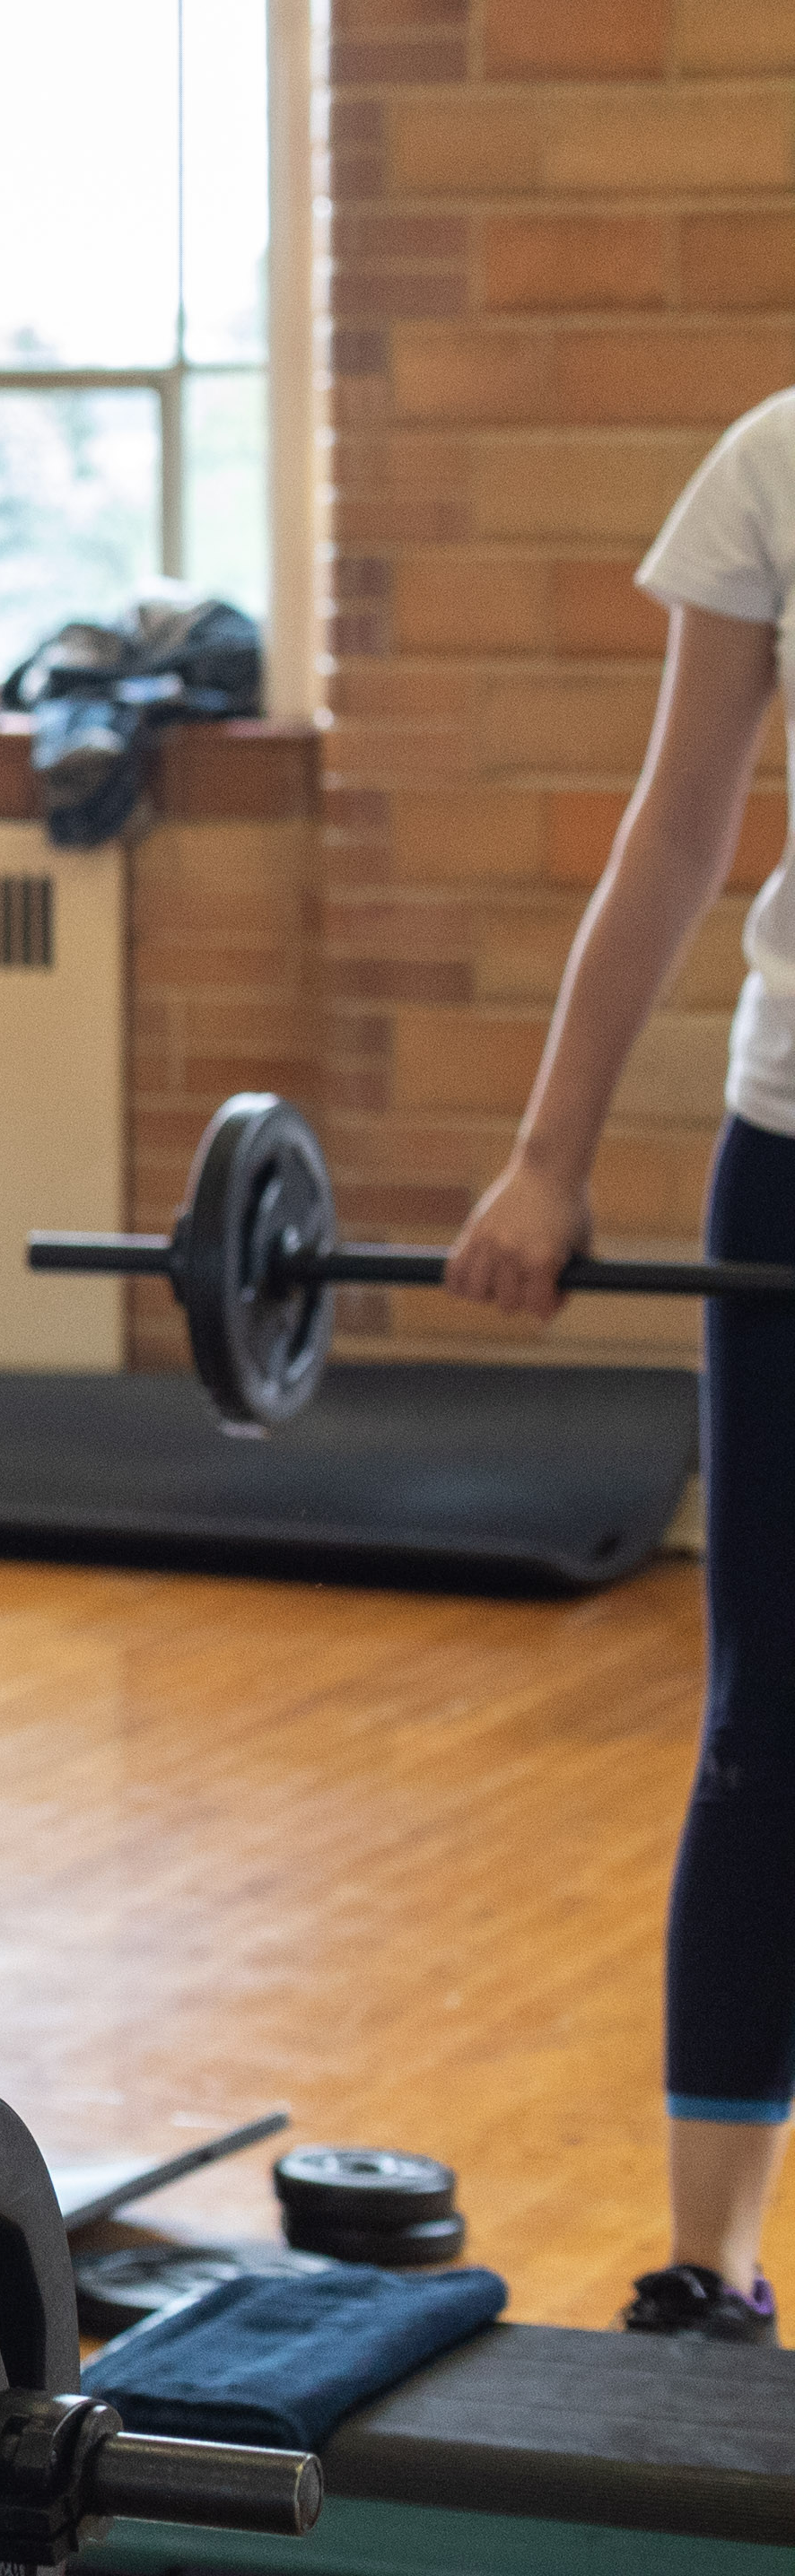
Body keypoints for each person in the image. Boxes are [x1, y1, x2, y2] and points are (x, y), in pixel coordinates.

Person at [449, 387, 795, 2347]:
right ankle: (709, 2264)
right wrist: (550, 1153)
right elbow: (679, 824)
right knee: (767, 1720)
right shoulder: (770, 462)